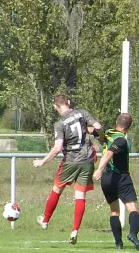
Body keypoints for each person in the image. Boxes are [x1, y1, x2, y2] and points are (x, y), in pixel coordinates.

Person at [33, 93, 103, 245]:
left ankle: (45, 220)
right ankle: (75, 230)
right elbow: (98, 127)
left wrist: (42, 161)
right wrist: (101, 137)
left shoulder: (60, 123)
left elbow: (58, 147)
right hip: (88, 160)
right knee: (80, 196)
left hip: (71, 160)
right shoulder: (82, 113)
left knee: (57, 189)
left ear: (55, 107)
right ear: (69, 102)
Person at [93, 113, 139, 251]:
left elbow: (93, 130)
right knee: (133, 208)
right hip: (120, 177)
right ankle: (133, 234)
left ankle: (118, 243)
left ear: (116, 122)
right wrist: (99, 169)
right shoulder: (121, 140)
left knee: (114, 211)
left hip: (106, 180)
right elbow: (109, 153)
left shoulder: (108, 133)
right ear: (130, 127)